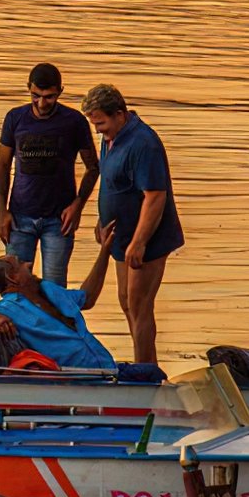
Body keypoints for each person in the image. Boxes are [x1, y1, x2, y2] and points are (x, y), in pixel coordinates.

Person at [80, 82, 185, 366]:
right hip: (120, 234)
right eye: (94, 124)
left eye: (101, 123)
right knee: (126, 300)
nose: (98, 130)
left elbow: (155, 197)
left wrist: (139, 241)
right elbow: (113, 181)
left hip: (147, 237)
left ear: (119, 114)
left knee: (140, 305)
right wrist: (102, 217)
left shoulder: (143, 144)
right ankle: (142, 364)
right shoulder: (109, 137)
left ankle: (146, 371)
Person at [0, 62, 100, 287]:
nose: (42, 103)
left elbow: (93, 167)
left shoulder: (74, 122)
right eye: (36, 96)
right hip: (20, 218)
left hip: (58, 221)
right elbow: (3, 166)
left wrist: (77, 205)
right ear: (28, 88)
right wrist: (1, 212)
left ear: (60, 92)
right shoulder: (15, 118)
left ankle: (53, 323)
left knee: (54, 289)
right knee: (15, 287)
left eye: (49, 97)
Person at [0, 243, 117, 371]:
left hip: (109, 366)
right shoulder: (8, 308)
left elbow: (88, 298)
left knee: (139, 371)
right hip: (79, 377)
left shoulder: (48, 288)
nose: (29, 264)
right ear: (12, 277)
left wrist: (105, 250)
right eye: (20, 263)